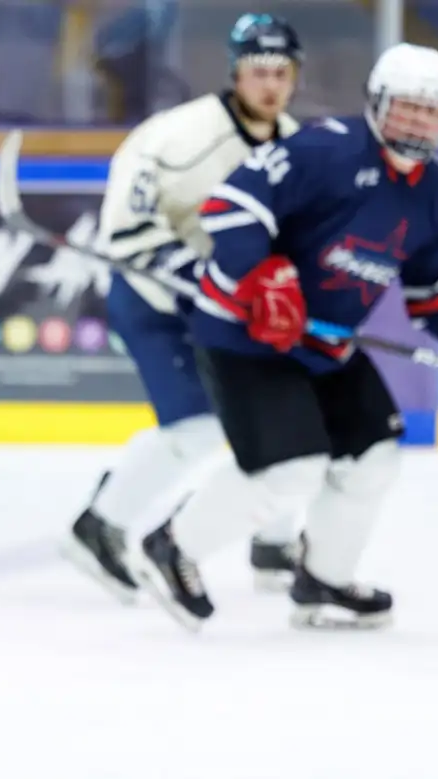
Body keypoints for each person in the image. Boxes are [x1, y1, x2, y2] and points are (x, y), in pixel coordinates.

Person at [134, 43, 438, 631]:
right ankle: (173, 546)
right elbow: (233, 207)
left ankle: (323, 578)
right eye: (406, 107)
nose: (417, 122)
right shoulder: (326, 150)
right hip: (246, 334)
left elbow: (435, 287)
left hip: (325, 343)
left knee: (372, 455)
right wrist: (263, 276)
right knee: (290, 471)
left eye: (431, 111)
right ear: (376, 104)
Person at [65, 13, 304, 604]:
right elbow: (128, 230)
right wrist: (206, 279)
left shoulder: (296, 146)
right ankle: (99, 526)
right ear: (236, 73)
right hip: (154, 302)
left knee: (290, 411)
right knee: (197, 428)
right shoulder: (179, 137)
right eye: (258, 71)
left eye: (281, 72)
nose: (270, 85)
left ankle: (275, 542)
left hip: (225, 311)